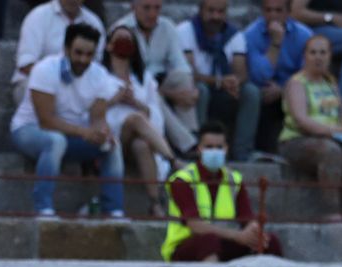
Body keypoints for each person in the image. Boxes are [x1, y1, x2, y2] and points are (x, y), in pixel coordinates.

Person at [11, 23, 125, 219]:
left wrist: (102, 133)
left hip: (70, 136)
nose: (83, 59)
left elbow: (98, 118)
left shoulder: (99, 75)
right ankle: (43, 208)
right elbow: (46, 122)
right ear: (66, 49)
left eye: (89, 54)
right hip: (28, 130)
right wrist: (85, 132)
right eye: (78, 53)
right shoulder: (45, 69)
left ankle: (114, 210)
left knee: (112, 145)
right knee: (55, 141)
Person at [281, 33, 342, 221]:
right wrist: (335, 132)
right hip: (297, 139)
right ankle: (331, 210)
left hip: (332, 137)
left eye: (323, 53)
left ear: (330, 56)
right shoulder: (296, 83)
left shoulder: (330, 82)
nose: (318, 57)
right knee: (330, 151)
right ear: (305, 56)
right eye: (313, 52)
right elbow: (302, 120)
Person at [162, 121, 284, 260]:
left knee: (269, 242)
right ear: (199, 149)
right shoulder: (182, 180)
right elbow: (195, 225)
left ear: (226, 149)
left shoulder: (234, 179)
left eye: (219, 147)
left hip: (224, 242)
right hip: (186, 245)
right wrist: (238, 236)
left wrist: (254, 231)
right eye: (209, 147)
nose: (214, 152)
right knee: (208, 241)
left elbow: (246, 217)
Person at [102, 23, 180, 209]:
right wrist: (116, 99)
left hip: (138, 137)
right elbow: (90, 110)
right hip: (112, 137)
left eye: (128, 40)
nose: (124, 43)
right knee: (134, 119)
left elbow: (155, 115)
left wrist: (135, 103)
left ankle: (155, 203)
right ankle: (173, 160)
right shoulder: (99, 76)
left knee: (141, 145)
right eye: (119, 39)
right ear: (109, 45)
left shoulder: (145, 79)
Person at [112, 0, 200, 155]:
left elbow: (181, 65)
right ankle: (189, 145)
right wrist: (169, 94)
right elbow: (122, 71)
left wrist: (189, 91)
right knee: (153, 94)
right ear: (133, 7)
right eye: (146, 8)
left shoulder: (167, 26)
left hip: (160, 79)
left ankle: (192, 134)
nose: (152, 14)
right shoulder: (121, 31)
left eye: (157, 8)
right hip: (135, 83)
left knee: (183, 79)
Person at [178, 0, 258, 162]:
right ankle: (197, 148)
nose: (216, 16)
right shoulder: (185, 31)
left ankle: (242, 152)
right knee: (200, 90)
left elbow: (241, 72)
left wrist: (234, 82)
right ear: (201, 10)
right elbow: (188, 74)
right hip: (199, 87)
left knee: (251, 92)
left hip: (224, 90)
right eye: (211, 11)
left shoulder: (233, 35)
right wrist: (219, 81)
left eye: (220, 12)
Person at [240, 0, 312, 150]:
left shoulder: (304, 35)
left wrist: (283, 89)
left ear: (288, 12)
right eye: (268, 10)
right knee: (256, 94)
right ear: (262, 11)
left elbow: (307, 74)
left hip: (292, 90)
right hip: (264, 91)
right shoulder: (250, 35)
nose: (273, 15)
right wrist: (275, 43)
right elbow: (261, 75)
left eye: (278, 10)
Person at [13, 0, 104, 106]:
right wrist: (59, 81)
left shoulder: (93, 21)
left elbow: (95, 63)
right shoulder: (38, 16)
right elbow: (25, 65)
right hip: (39, 81)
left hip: (79, 84)